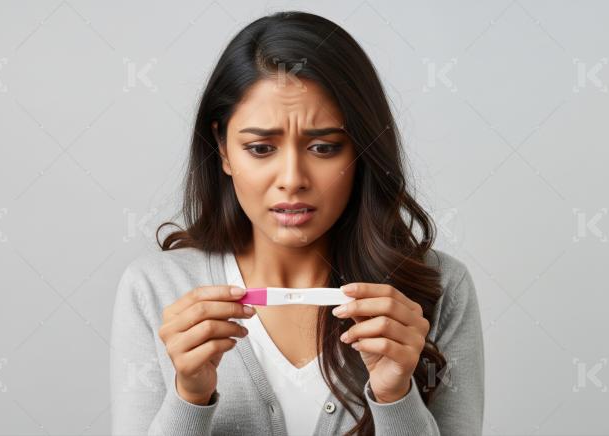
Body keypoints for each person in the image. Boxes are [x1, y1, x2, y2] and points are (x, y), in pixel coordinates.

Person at [110, 10, 484, 436]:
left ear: (361, 151)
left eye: (324, 147)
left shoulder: (439, 288)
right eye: (261, 148)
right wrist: (189, 397)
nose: (292, 180)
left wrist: (395, 396)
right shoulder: (153, 289)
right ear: (223, 149)